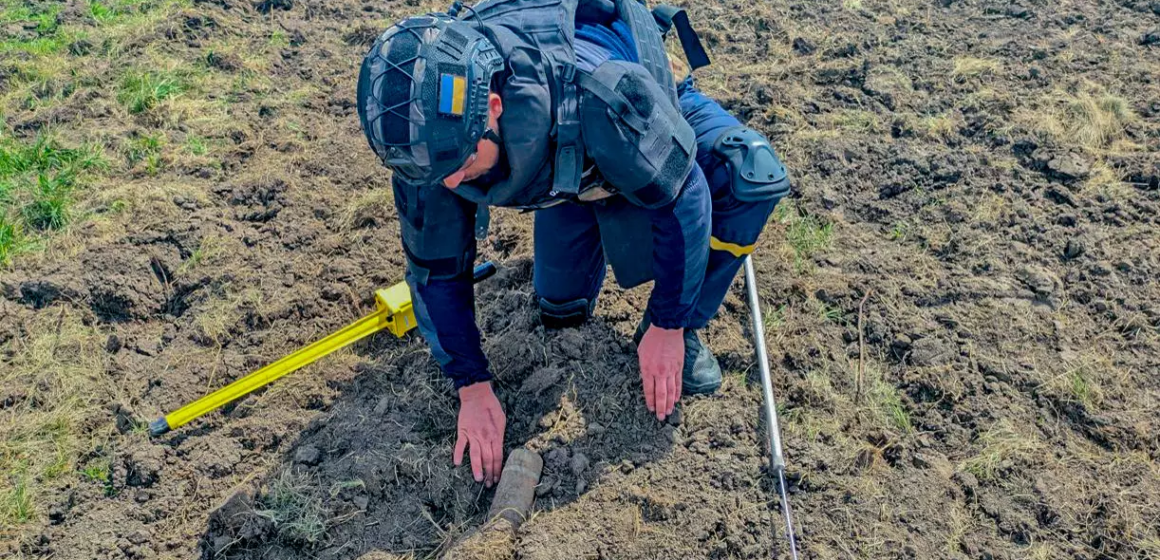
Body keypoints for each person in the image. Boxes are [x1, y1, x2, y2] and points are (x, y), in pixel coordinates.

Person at [356, 0, 790, 487]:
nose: (452, 182)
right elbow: (434, 273)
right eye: (439, 173)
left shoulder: (602, 97)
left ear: (493, 108)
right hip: (568, 165)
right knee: (560, 308)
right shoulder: (428, 143)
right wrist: (471, 384)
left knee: (750, 173)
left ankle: (682, 328)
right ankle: (587, 204)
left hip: (636, 115)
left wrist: (670, 322)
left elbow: (684, 194)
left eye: (462, 163)